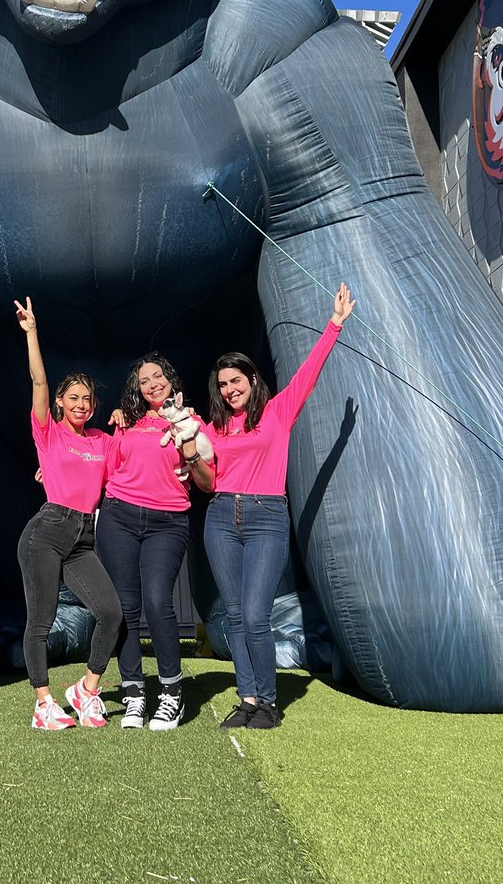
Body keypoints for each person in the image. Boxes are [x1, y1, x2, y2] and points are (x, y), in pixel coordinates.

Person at [204, 283, 356, 731]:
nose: (230, 389)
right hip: (219, 518)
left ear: (252, 379)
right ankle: (247, 698)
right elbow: (195, 467)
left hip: (267, 517)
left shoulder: (277, 411)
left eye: (236, 380)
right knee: (233, 615)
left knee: (255, 614)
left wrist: (334, 324)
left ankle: (269, 702)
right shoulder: (213, 427)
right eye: (223, 384)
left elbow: (309, 372)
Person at [14, 296, 123, 731]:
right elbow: (39, 382)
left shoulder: (100, 439)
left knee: (110, 613)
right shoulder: (49, 433)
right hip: (47, 530)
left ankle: (87, 690)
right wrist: (32, 332)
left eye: (87, 400)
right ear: (60, 403)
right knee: (40, 621)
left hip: (83, 537)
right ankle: (43, 704)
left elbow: (127, 462)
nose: (80, 404)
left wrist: (123, 419)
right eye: (72, 398)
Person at [97, 354, 213, 731]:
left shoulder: (189, 421)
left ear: (169, 379)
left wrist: (191, 448)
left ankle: (171, 694)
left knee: (158, 600)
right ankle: (133, 695)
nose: (151, 383)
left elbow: (207, 481)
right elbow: (109, 469)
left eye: (157, 376)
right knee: (125, 607)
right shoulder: (127, 422)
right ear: (138, 388)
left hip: (168, 520)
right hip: (119, 517)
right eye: (143, 380)